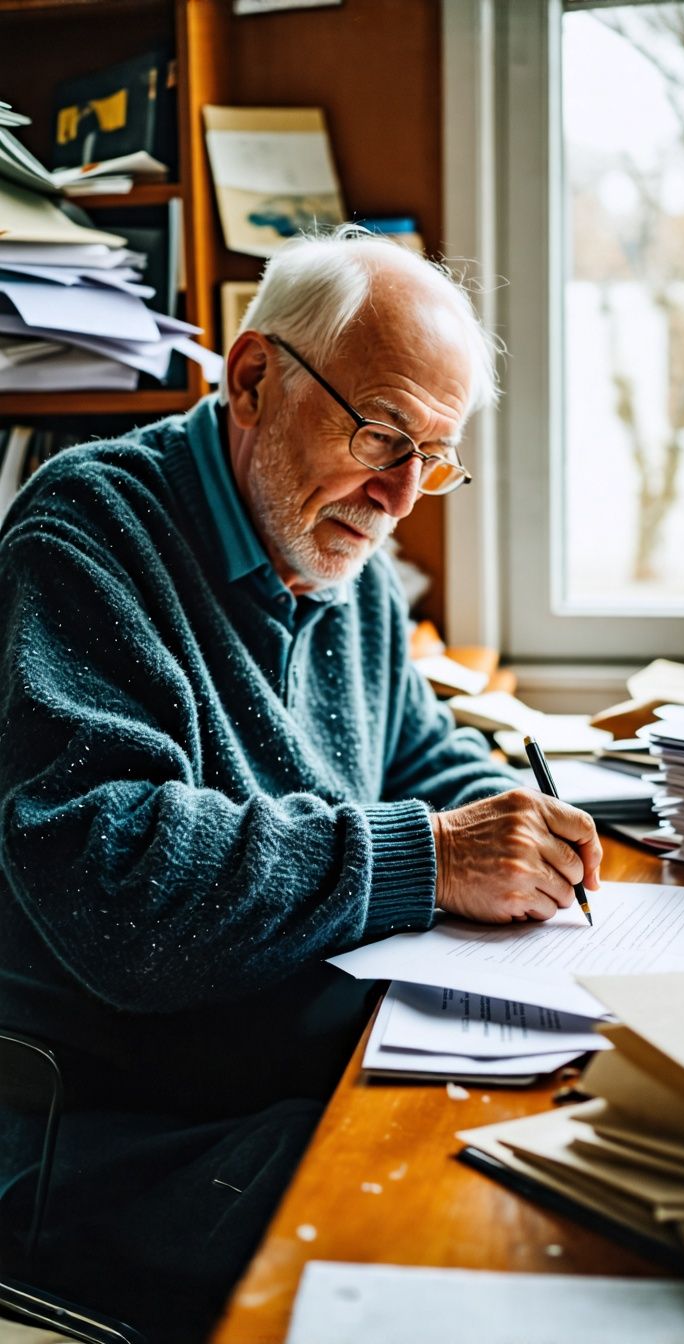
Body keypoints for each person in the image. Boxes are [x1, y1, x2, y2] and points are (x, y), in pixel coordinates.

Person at [0, 227, 601, 1343]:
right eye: (381, 433)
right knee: (467, 1254)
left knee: (572, 1170)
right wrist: (434, 856)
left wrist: (533, 837)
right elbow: (117, 877)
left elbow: (425, 762)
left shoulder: (337, 556)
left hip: (291, 1062)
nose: (400, 495)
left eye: (435, 454)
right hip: (114, 1128)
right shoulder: (87, 533)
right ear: (253, 377)